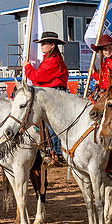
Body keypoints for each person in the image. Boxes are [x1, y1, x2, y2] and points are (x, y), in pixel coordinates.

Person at [23, 31, 69, 159]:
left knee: (51, 121)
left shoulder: (53, 60)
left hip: (55, 94)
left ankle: (56, 150)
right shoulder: (50, 60)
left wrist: (27, 68)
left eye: (44, 43)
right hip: (52, 92)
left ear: (52, 45)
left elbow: (37, 77)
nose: (42, 46)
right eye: (41, 43)